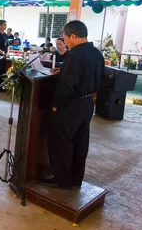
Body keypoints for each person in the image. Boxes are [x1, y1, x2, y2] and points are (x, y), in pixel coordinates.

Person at [43, 21, 104, 190]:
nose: (66, 42)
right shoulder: (96, 54)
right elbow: (92, 76)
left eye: (65, 38)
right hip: (87, 104)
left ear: (73, 36)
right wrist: (63, 70)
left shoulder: (75, 54)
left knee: (61, 142)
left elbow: (68, 84)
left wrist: (56, 104)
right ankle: (76, 179)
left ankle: (62, 180)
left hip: (71, 105)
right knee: (80, 142)